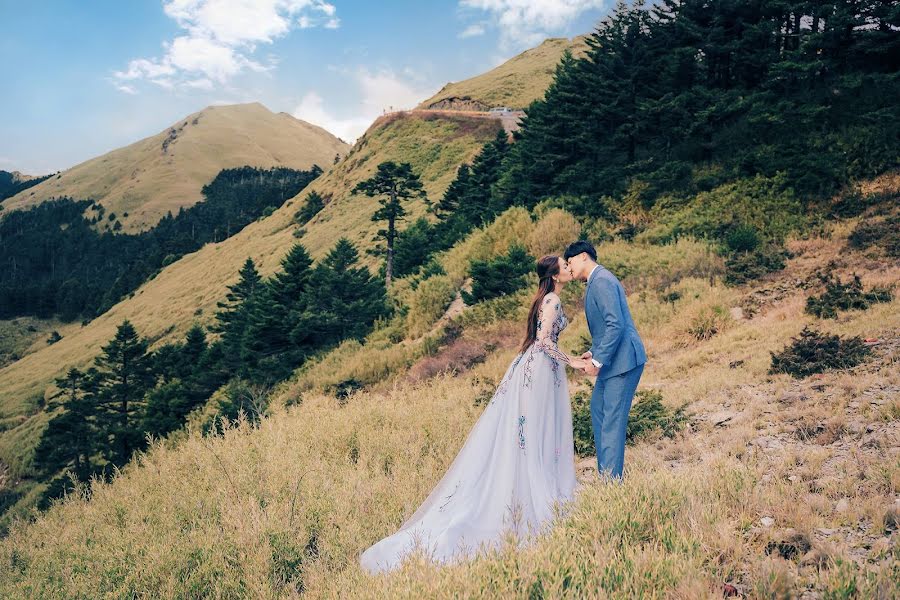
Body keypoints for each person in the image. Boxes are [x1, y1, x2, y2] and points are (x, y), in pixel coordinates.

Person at [360, 255, 589, 574]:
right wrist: (575, 362)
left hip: (533, 370)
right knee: (534, 434)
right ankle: (532, 498)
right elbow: (542, 343)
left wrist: (573, 357)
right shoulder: (550, 300)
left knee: (530, 435)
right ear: (554, 274)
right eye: (564, 265)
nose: (568, 268)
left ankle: (528, 488)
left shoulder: (545, 298)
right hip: (538, 373)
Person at [563, 240, 647, 480]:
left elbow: (615, 324)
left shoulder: (601, 280)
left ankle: (610, 485)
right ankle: (607, 476)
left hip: (623, 362)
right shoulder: (596, 281)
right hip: (613, 360)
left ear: (583, 257)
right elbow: (606, 328)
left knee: (611, 420)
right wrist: (593, 351)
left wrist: (597, 361)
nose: (569, 269)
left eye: (570, 263)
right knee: (598, 410)